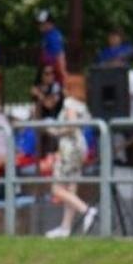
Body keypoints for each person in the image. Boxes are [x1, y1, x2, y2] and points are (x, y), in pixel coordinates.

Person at [46, 76, 97, 237]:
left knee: (57, 188)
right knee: (71, 188)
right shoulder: (83, 105)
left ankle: (86, 210)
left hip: (69, 147)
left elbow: (72, 125)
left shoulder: (69, 103)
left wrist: (55, 131)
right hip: (81, 147)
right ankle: (65, 227)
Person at [36, 9, 68, 83]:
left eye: (42, 23)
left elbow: (59, 55)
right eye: (39, 23)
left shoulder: (53, 37)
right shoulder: (47, 35)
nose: (39, 25)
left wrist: (62, 73)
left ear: (50, 23)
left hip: (53, 74)